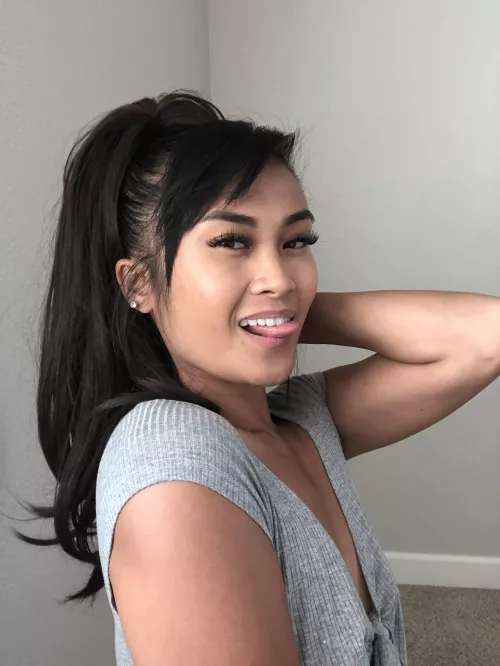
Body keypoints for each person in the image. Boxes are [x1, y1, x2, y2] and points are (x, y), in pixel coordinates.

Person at [15, 90, 500, 666]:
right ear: (138, 284)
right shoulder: (172, 463)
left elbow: (485, 338)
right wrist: (261, 309)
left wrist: (275, 310)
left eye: (296, 242)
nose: (280, 275)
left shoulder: (299, 420)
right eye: (231, 242)